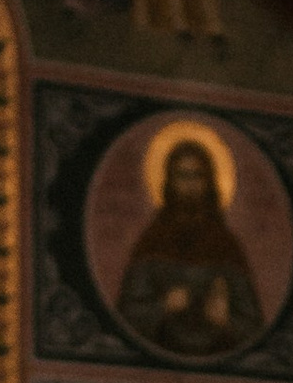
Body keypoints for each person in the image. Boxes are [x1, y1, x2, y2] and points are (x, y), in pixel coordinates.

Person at [112, 131, 267, 359]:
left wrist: (226, 320)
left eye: (198, 176)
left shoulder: (225, 244)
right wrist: (164, 306)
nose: (190, 185)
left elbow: (255, 329)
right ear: (170, 181)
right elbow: (126, 318)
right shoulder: (152, 241)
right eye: (182, 176)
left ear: (209, 182)